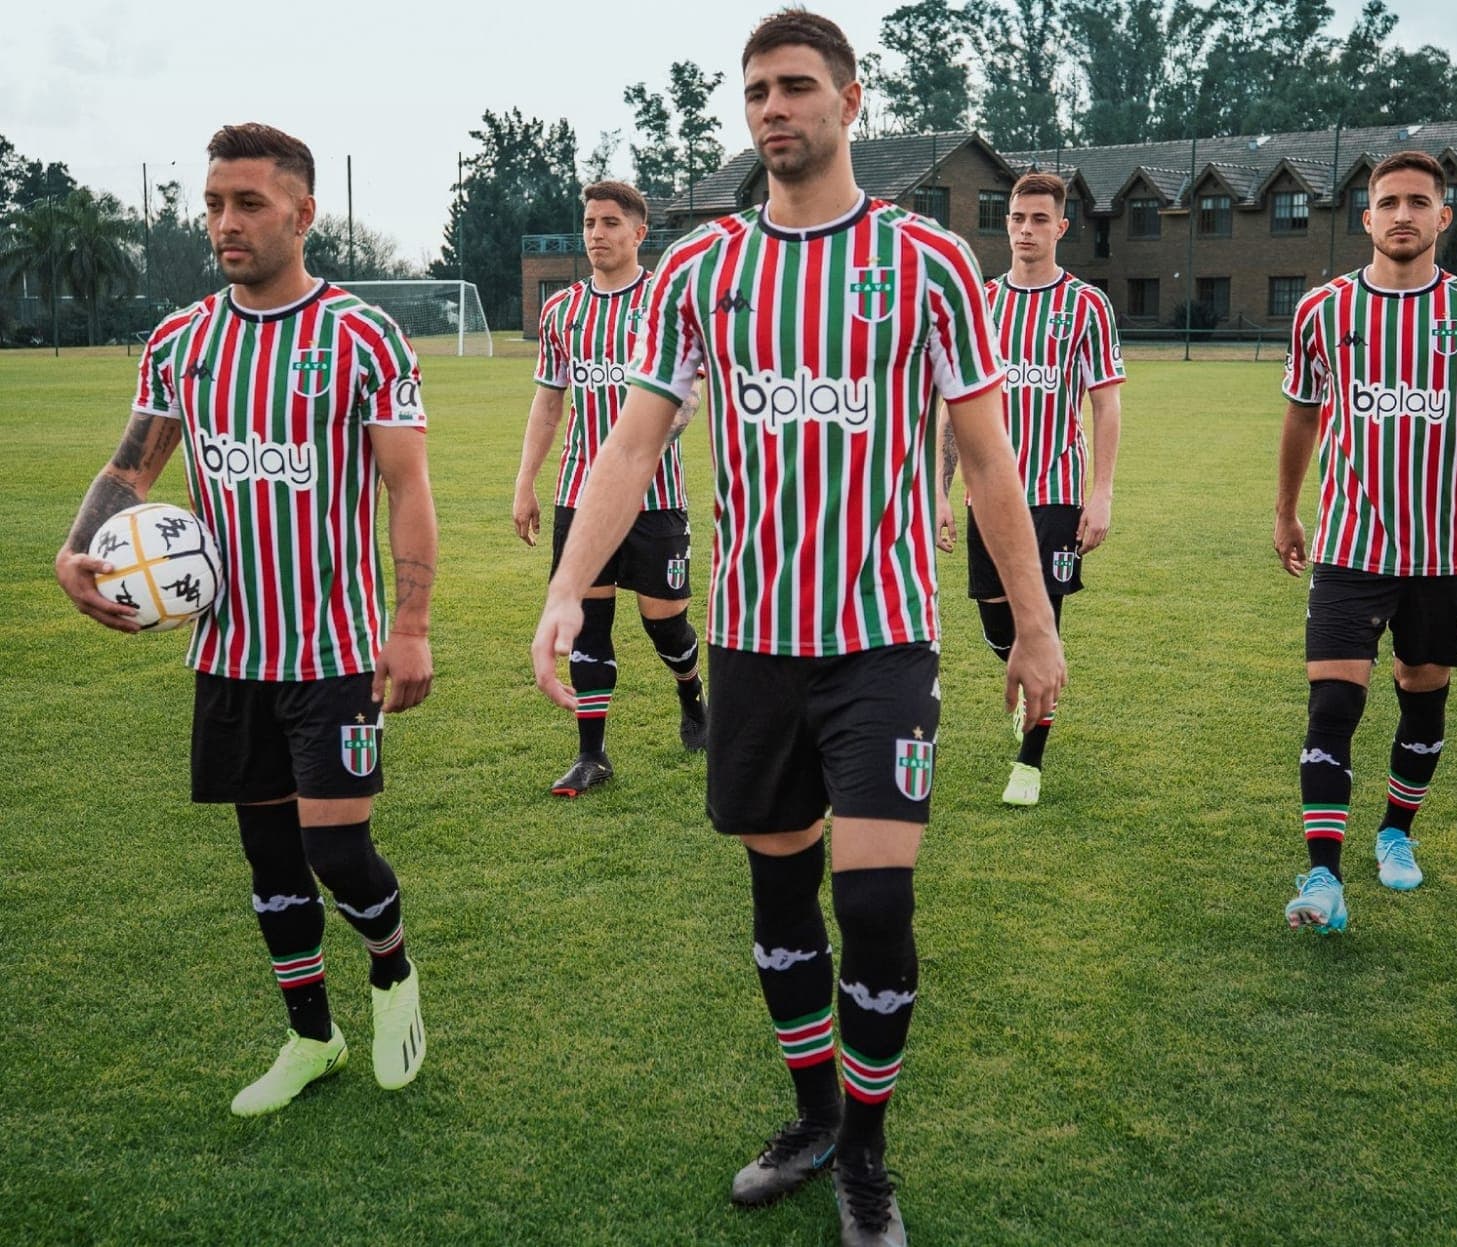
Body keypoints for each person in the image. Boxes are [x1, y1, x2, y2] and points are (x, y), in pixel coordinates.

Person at [530, 12, 1063, 1246]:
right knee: (780, 891)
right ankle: (814, 1113)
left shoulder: (926, 263)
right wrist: (568, 583)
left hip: (883, 635)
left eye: (798, 87)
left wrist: (1032, 631)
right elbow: (630, 441)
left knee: (873, 901)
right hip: (757, 642)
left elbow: (987, 462)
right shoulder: (702, 269)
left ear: (851, 101)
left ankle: (867, 1156)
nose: (775, 108)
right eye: (758, 90)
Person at [54, 123, 436, 1112]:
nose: (226, 221)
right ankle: (312, 1036)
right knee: (269, 861)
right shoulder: (182, 341)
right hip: (228, 652)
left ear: (302, 214)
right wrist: (78, 543)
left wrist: (413, 622)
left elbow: (406, 486)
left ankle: (390, 968)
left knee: (336, 850)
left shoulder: (361, 336)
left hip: (336, 648)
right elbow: (133, 464)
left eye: (250, 203)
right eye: (216, 203)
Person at [1276, 149, 1457, 934]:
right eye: (1387, 202)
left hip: (1436, 556)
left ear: (1442, 217)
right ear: (1366, 217)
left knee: (1423, 700)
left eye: (1418, 202)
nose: (1402, 214)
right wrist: (1286, 509)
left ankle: (1395, 832)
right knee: (1333, 703)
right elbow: (1301, 416)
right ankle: (1323, 877)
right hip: (1348, 546)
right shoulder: (1322, 311)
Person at [935, 171, 1123, 807]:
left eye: (1040, 219)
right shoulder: (981, 304)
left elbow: (1106, 406)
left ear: (1061, 228)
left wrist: (1101, 493)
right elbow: (950, 404)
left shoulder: (1087, 306)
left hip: (1055, 491)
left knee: (1043, 621)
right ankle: (1035, 684)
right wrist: (940, 488)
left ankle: (1030, 762)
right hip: (986, 496)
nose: (1025, 229)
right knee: (996, 624)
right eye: (1017, 218)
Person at [513, 180, 706, 797]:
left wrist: (647, 447)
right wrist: (526, 483)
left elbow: (690, 398)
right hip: (578, 496)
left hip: (656, 499)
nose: (597, 234)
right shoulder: (562, 312)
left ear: (639, 233)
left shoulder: (668, 304)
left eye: (611, 223)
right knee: (587, 623)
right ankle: (592, 754)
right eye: (590, 223)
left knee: (664, 626)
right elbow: (548, 405)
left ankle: (693, 697)